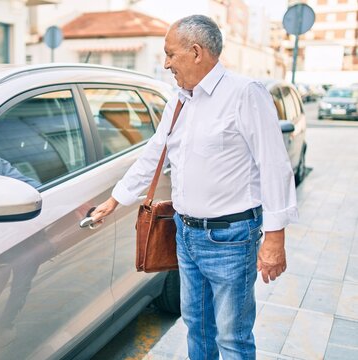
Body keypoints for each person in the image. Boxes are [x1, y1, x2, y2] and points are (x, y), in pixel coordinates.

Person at [91, 15, 298, 359]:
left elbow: (274, 165)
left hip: (230, 238)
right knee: (197, 328)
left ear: (197, 52)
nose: (166, 62)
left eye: (171, 54)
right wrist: (115, 199)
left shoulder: (245, 94)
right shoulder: (179, 100)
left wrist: (275, 238)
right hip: (184, 234)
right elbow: (154, 152)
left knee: (233, 338)